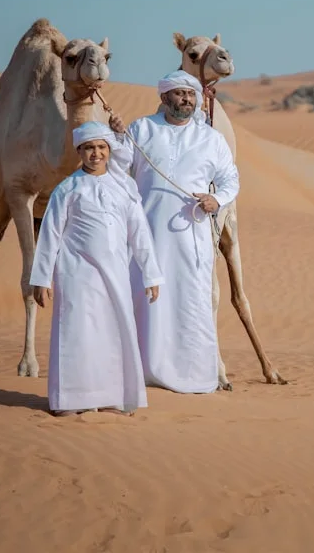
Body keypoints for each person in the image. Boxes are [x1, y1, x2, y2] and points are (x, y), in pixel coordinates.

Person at [108, 70, 240, 394]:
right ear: (164, 97)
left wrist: (216, 199)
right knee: (145, 298)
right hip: (146, 233)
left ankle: (193, 375)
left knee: (190, 302)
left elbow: (230, 179)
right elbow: (118, 166)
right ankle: (143, 371)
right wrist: (116, 137)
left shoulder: (211, 139)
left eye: (191, 95)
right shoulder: (142, 129)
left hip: (190, 236)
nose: (187, 100)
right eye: (180, 94)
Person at [29, 121, 164, 417]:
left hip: (115, 275)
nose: (96, 153)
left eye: (102, 147)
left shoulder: (123, 188)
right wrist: (41, 278)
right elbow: (50, 234)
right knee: (77, 334)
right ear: (80, 151)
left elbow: (140, 234)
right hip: (76, 274)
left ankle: (114, 398)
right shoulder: (67, 189)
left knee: (114, 334)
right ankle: (71, 400)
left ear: (109, 150)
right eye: (89, 148)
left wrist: (151, 274)